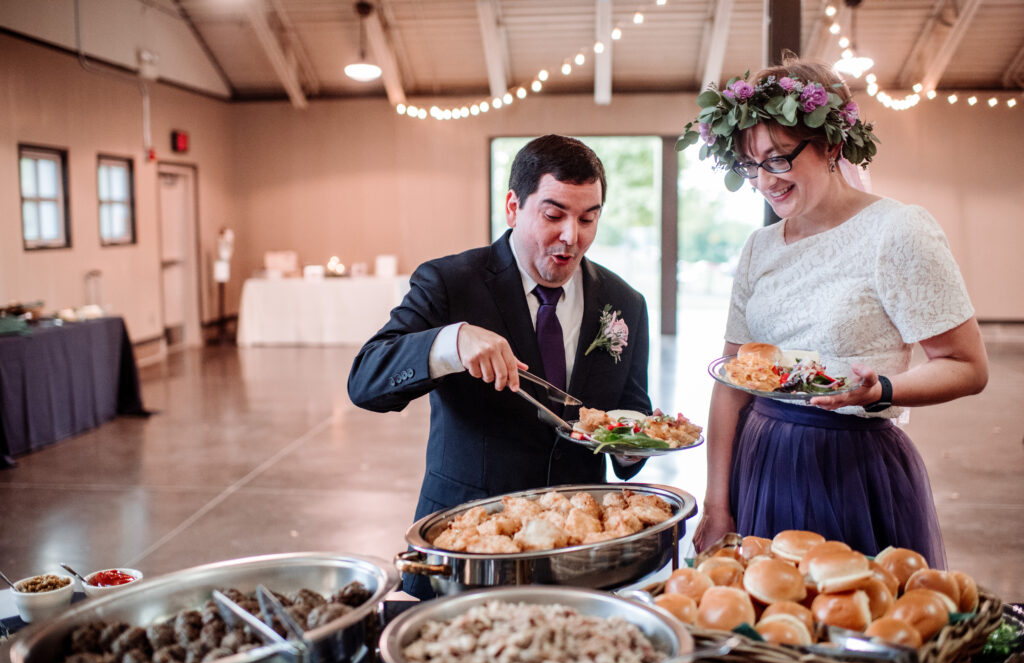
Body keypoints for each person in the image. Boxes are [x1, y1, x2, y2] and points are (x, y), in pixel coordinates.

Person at [679, 55, 989, 568]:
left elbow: (968, 366)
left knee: (849, 625)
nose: (764, 180)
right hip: (760, 460)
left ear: (832, 144)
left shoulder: (897, 230)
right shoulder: (759, 247)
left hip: (850, 466)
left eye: (778, 158)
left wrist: (881, 390)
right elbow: (731, 379)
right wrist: (717, 503)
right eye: (751, 164)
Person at [347, 134, 654, 597]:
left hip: (578, 551)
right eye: (554, 215)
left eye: (588, 218)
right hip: (470, 541)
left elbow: (632, 407)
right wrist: (449, 342)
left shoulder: (625, 302)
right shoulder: (449, 282)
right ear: (513, 207)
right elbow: (366, 380)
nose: (572, 236)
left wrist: (633, 445)